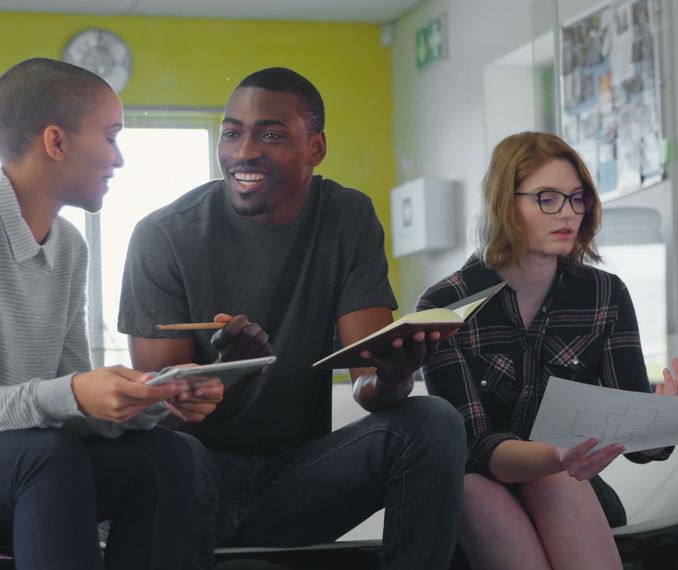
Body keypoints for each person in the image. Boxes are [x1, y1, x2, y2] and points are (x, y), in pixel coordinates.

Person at [118, 67, 466, 569]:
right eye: (232, 132)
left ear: (316, 149)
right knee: (178, 457)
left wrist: (394, 375)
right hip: (189, 494)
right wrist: (228, 377)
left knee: (432, 420)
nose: (243, 151)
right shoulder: (163, 236)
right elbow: (159, 419)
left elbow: (368, 384)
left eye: (271, 134)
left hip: (296, 484)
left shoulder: (347, 217)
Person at [418, 131, 678, 570]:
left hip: (565, 484)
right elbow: (476, 446)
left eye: (576, 198)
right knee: (480, 489)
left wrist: (661, 420)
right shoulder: (444, 305)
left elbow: (630, 440)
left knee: (555, 480)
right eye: (547, 199)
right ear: (504, 203)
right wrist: (556, 456)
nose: (567, 213)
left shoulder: (605, 293)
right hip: (478, 483)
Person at [0, 57, 218, 569]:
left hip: (30, 470)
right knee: (47, 455)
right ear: (56, 142)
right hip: (31, 465)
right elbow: (64, 399)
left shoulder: (71, 248)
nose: (118, 159)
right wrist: (75, 393)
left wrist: (153, 397)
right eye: (111, 136)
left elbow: (69, 403)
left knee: (171, 455)